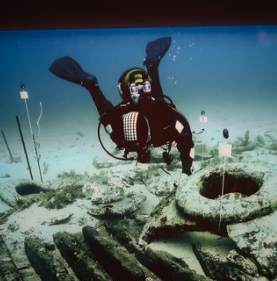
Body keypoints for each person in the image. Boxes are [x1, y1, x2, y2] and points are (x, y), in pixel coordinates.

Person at [49, 36, 195, 177]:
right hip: (158, 122)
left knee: (157, 101)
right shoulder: (160, 114)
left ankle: (151, 66)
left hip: (152, 121)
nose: (142, 92)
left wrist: (92, 86)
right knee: (158, 101)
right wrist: (187, 169)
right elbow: (186, 137)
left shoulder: (123, 122)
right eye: (135, 88)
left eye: (144, 87)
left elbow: (107, 119)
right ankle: (151, 66)